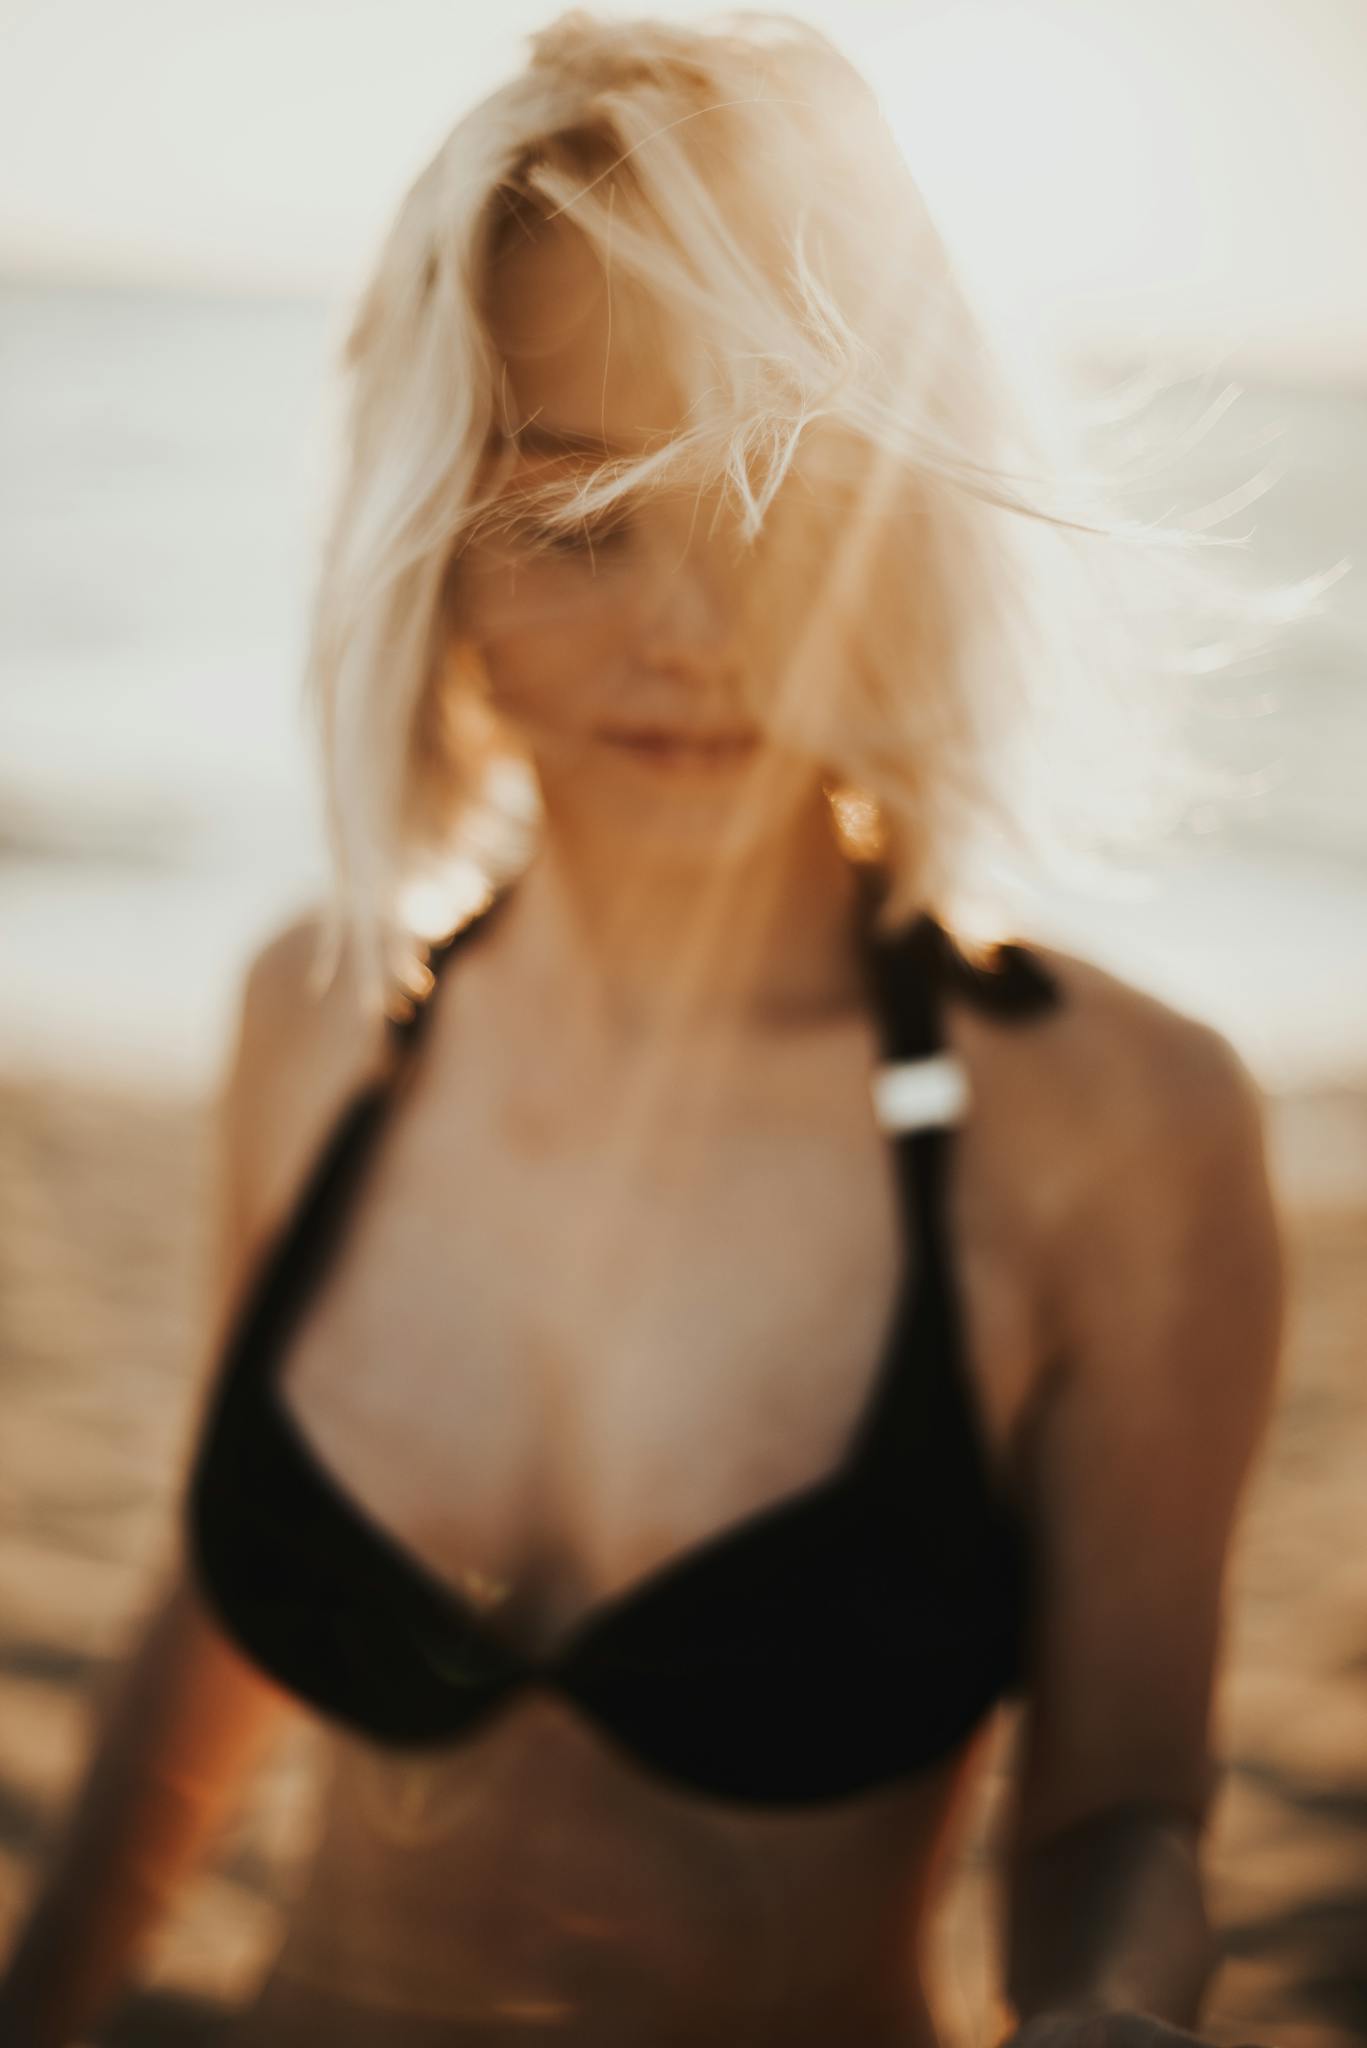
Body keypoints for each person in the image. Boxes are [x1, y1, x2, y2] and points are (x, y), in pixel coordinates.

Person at [0, 13, 1284, 2046]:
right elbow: (208, 1613)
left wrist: (1109, 2006)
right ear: (434, 539)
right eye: (582, 526)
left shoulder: (1118, 1127)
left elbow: (1120, 1801)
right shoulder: (325, 1015)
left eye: (773, 507)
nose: (691, 632)